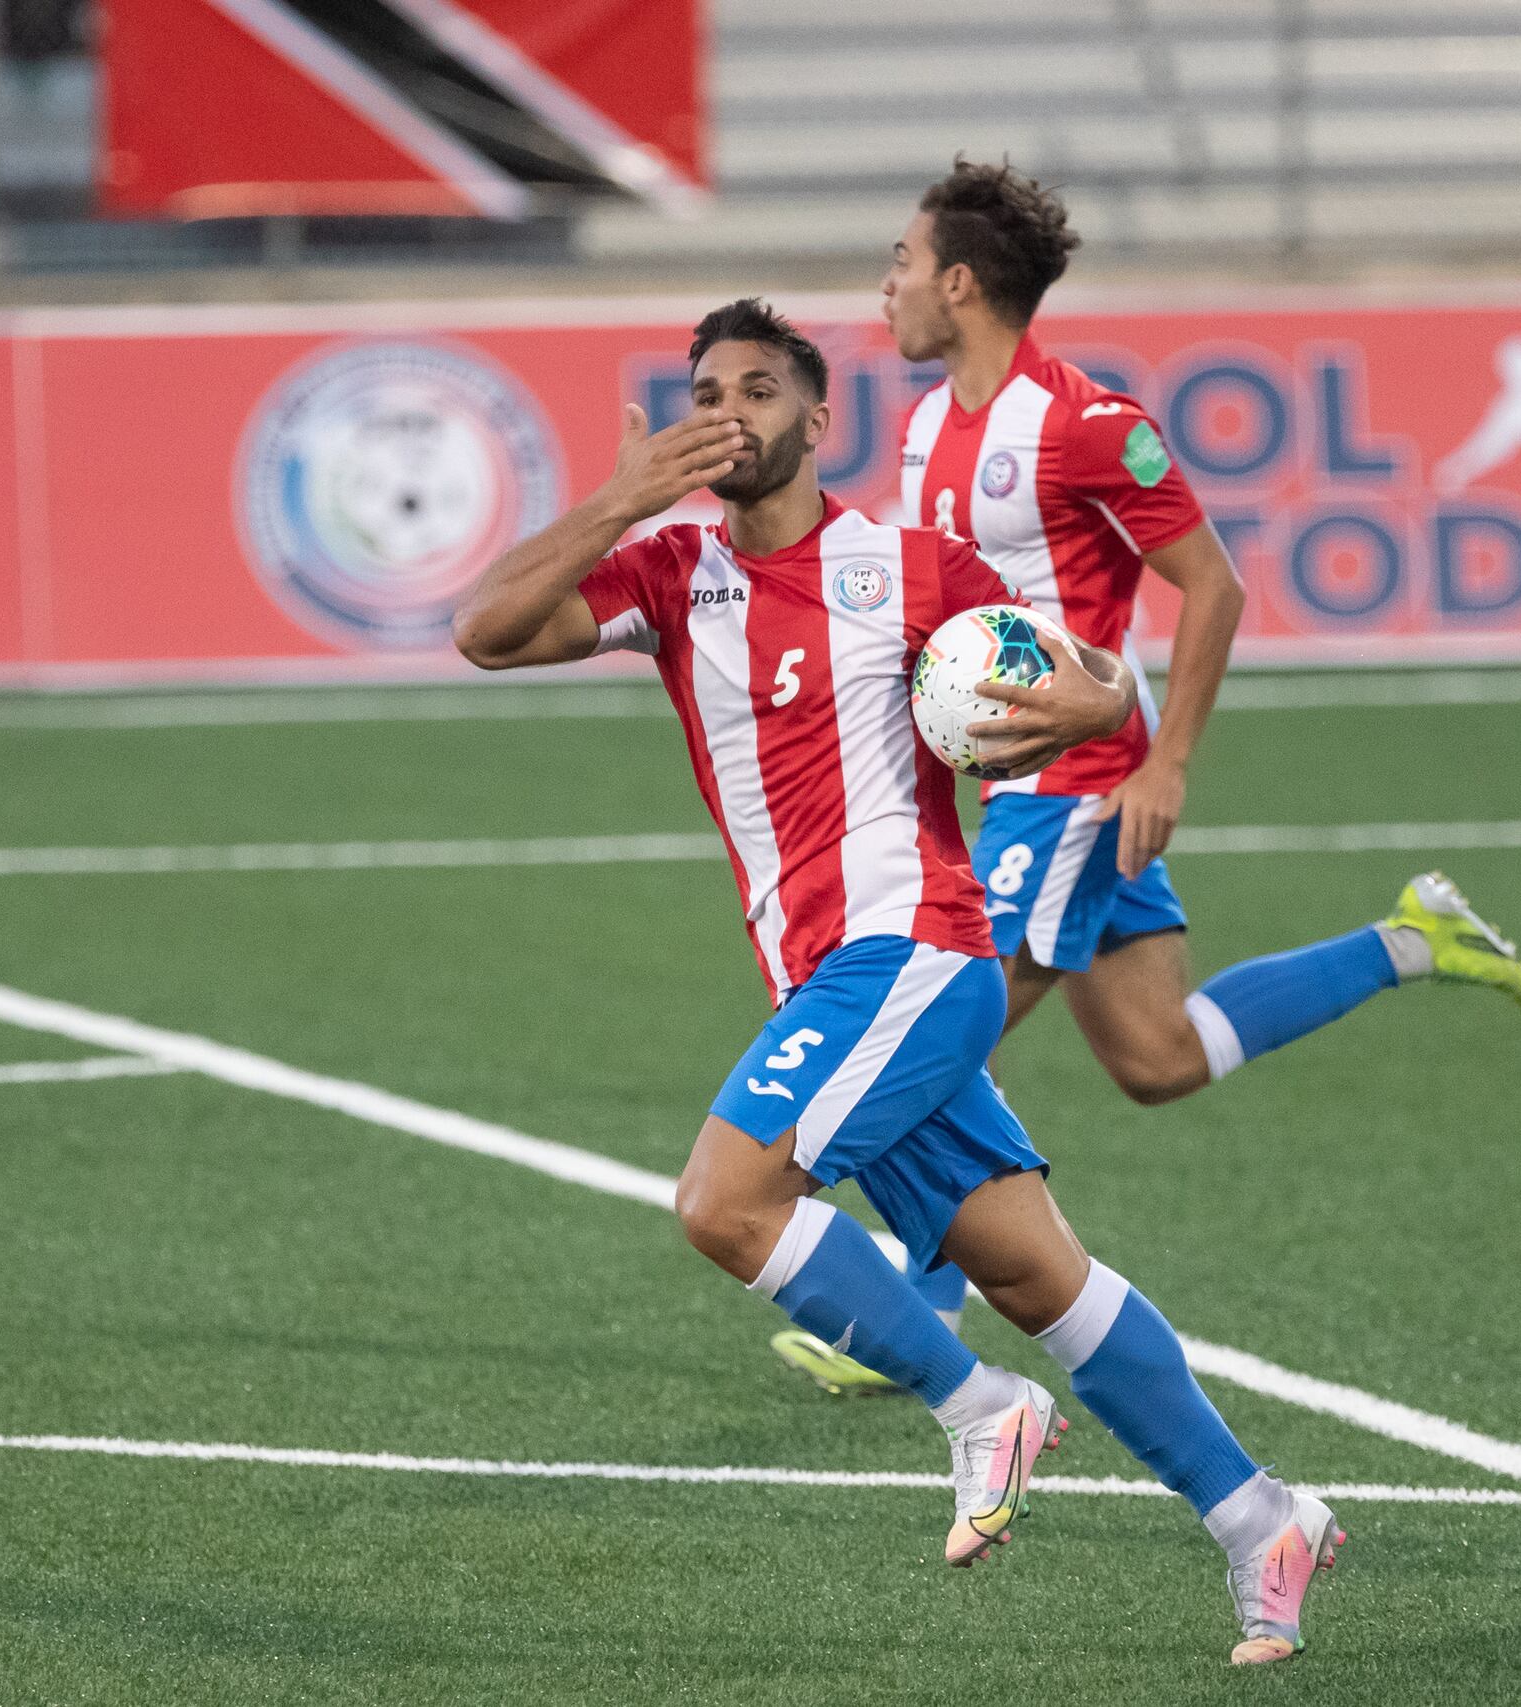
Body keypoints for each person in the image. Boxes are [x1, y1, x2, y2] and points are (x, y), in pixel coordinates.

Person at [450, 297, 1341, 1661]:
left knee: (724, 1199)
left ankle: (978, 1404)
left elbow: (1096, 678)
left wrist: (1100, 707)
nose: (726, 410)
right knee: (1045, 1276)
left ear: (818, 418)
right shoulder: (674, 574)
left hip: (917, 947)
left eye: (758, 388)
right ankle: (1257, 1514)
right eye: (705, 390)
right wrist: (619, 497)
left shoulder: (912, 568)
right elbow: (487, 628)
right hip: (829, 978)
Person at [764, 157, 1521, 1396]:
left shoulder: (1085, 424)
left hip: (1083, 780)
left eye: (902, 265)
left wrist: (1165, 761)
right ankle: (1410, 940)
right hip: (1009, 787)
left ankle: (921, 1299)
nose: (886, 288)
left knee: (946, 1021)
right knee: (1159, 1057)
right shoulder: (923, 430)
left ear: (959, 283)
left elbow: (1211, 585)